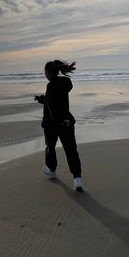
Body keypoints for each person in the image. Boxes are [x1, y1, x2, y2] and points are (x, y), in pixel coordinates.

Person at [34, 59, 83, 192]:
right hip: (67, 121)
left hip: (53, 124)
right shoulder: (64, 84)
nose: (45, 74)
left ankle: (51, 170)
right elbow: (56, 102)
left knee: (50, 148)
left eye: (45, 72)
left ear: (49, 72)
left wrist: (59, 121)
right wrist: (43, 99)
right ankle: (77, 179)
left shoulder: (51, 86)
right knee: (71, 150)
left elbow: (52, 108)